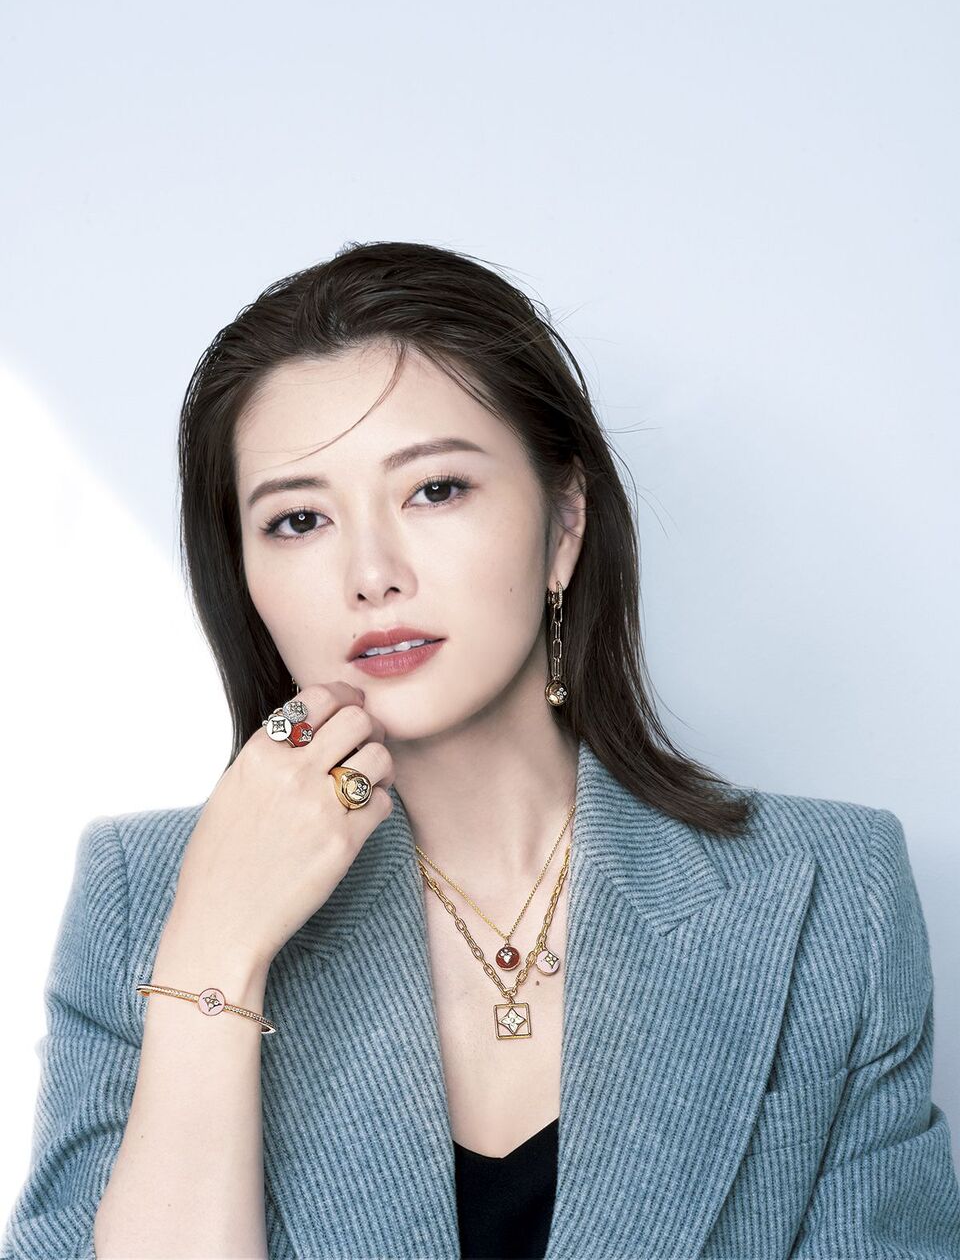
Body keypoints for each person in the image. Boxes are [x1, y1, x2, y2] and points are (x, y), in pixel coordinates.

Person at [3, 240, 959, 1260]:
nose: (372, 572)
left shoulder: (831, 893)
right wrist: (214, 954)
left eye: (436, 490)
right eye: (299, 518)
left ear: (564, 524)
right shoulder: (143, 899)